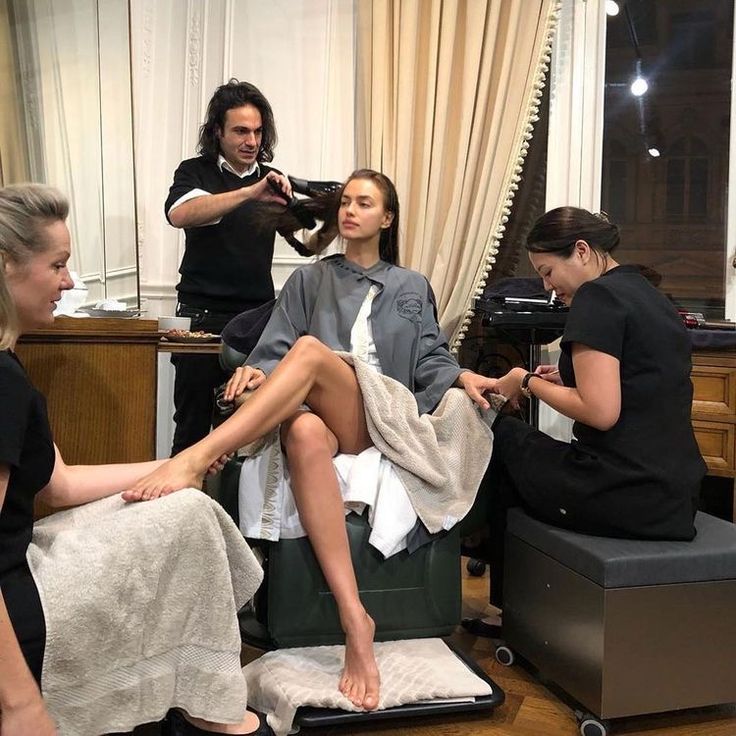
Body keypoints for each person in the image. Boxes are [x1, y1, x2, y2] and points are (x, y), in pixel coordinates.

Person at [127, 169, 497, 712]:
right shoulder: (310, 281)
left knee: (310, 353)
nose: (349, 211)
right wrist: (256, 372)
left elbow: (432, 358)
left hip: (383, 414)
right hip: (324, 415)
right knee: (299, 429)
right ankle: (355, 618)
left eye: (364, 204)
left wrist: (462, 377)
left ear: (386, 218)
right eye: (345, 202)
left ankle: (196, 458)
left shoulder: (411, 286)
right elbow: (274, 349)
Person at [0, 184, 272, 736]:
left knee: (184, 502)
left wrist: (184, 463)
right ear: (6, 267)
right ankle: (215, 713)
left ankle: (204, 702)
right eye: (58, 265)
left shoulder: (9, 364)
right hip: (17, 606)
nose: (69, 281)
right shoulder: (1, 381)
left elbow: (61, 485)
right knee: (189, 518)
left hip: (23, 566)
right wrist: (21, 705)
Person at [461, 206, 706, 638]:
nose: (547, 287)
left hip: (620, 491)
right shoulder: (650, 295)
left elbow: (600, 411)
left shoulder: (598, 297)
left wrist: (524, 382)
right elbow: (635, 382)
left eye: (548, 271)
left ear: (581, 251)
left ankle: (506, 606)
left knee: (497, 431)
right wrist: (562, 376)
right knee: (525, 450)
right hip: (674, 497)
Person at [165, 79, 297, 456]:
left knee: (244, 434)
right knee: (191, 427)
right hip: (200, 319)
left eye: (257, 131)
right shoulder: (194, 172)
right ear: (218, 132)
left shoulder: (274, 181)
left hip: (256, 321)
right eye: (240, 131)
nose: (251, 141)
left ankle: (228, 515)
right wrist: (249, 193)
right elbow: (180, 214)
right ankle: (181, 514)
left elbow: (305, 240)